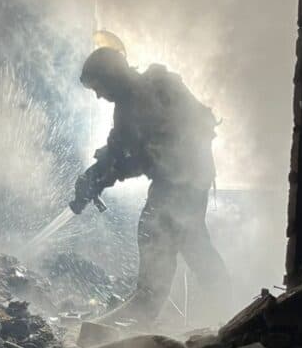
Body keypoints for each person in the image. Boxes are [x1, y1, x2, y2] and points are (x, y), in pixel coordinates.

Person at [72, 46, 231, 326]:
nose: (98, 96)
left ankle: (146, 309)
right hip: (178, 181)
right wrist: (95, 175)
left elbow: (149, 154)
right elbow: (119, 150)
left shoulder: (157, 88)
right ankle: (220, 311)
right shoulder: (126, 106)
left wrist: (106, 174)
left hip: (184, 180)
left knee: (156, 232)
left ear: (112, 76)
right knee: (191, 243)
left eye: (99, 87)